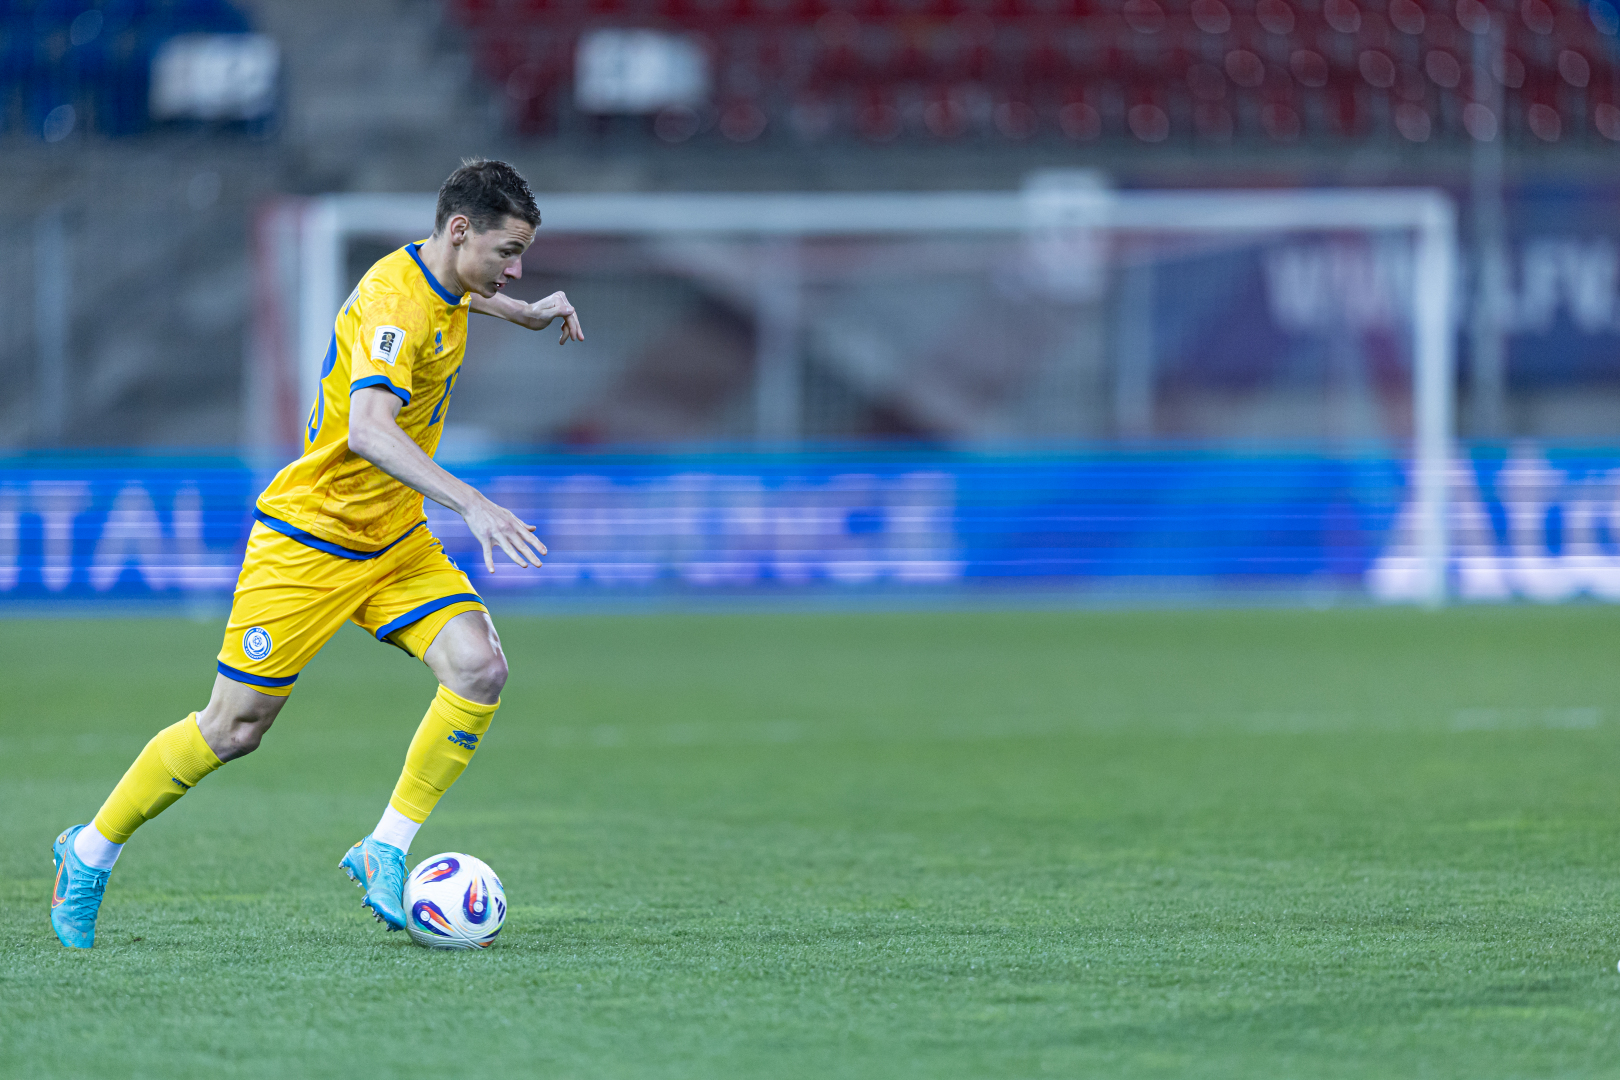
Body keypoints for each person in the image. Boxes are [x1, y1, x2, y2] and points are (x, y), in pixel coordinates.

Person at [48, 158, 582, 949]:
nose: (517, 268)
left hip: (393, 538)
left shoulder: (442, 277)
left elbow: (456, 292)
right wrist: (472, 501)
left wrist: (520, 311)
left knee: (479, 668)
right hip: (310, 540)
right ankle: (89, 850)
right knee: (234, 729)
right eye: (509, 252)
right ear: (460, 230)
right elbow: (368, 429)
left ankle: (384, 848)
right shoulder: (394, 304)